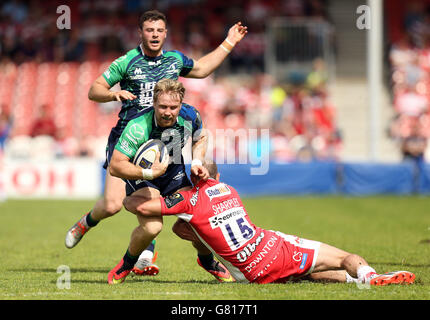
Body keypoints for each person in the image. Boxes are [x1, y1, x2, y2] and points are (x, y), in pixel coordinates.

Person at [64, 9, 248, 275]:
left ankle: (151, 254)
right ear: (140, 33)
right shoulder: (127, 62)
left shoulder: (174, 60)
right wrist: (113, 96)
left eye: (159, 30)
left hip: (165, 138)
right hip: (130, 138)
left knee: (169, 199)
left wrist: (229, 41)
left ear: (165, 33)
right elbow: (95, 90)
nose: (154, 35)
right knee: (112, 205)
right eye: (149, 30)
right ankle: (86, 223)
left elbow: (204, 69)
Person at [122, 159, 416, 286]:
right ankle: (368, 275)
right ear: (218, 177)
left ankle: (356, 283)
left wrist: (135, 189)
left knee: (308, 275)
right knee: (343, 258)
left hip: (250, 274)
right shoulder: (229, 189)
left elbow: (144, 207)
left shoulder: (187, 200)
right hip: (272, 248)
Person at [106, 79, 233, 284]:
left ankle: (207, 261)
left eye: (173, 107)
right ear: (154, 104)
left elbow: (201, 137)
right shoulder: (137, 126)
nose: (168, 112)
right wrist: (148, 173)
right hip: (141, 176)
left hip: (173, 171)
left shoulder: (190, 115)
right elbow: (115, 166)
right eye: (163, 106)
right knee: (152, 228)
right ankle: (127, 264)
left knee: (199, 219)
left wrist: (196, 162)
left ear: (181, 105)